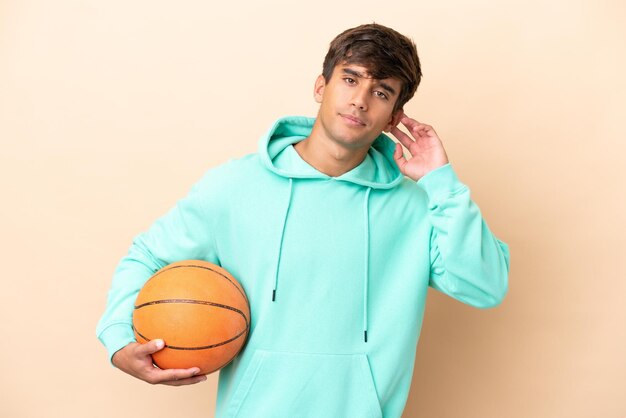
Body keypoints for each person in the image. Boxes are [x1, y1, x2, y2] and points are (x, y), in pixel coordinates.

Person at [96, 23, 510, 418]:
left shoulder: (419, 206)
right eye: (350, 79)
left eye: (381, 92)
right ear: (320, 86)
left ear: (393, 117)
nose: (360, 100)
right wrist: (118, 340)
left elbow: (485, 286)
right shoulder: (235, 186)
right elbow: (148, 256)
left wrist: (442, 183)